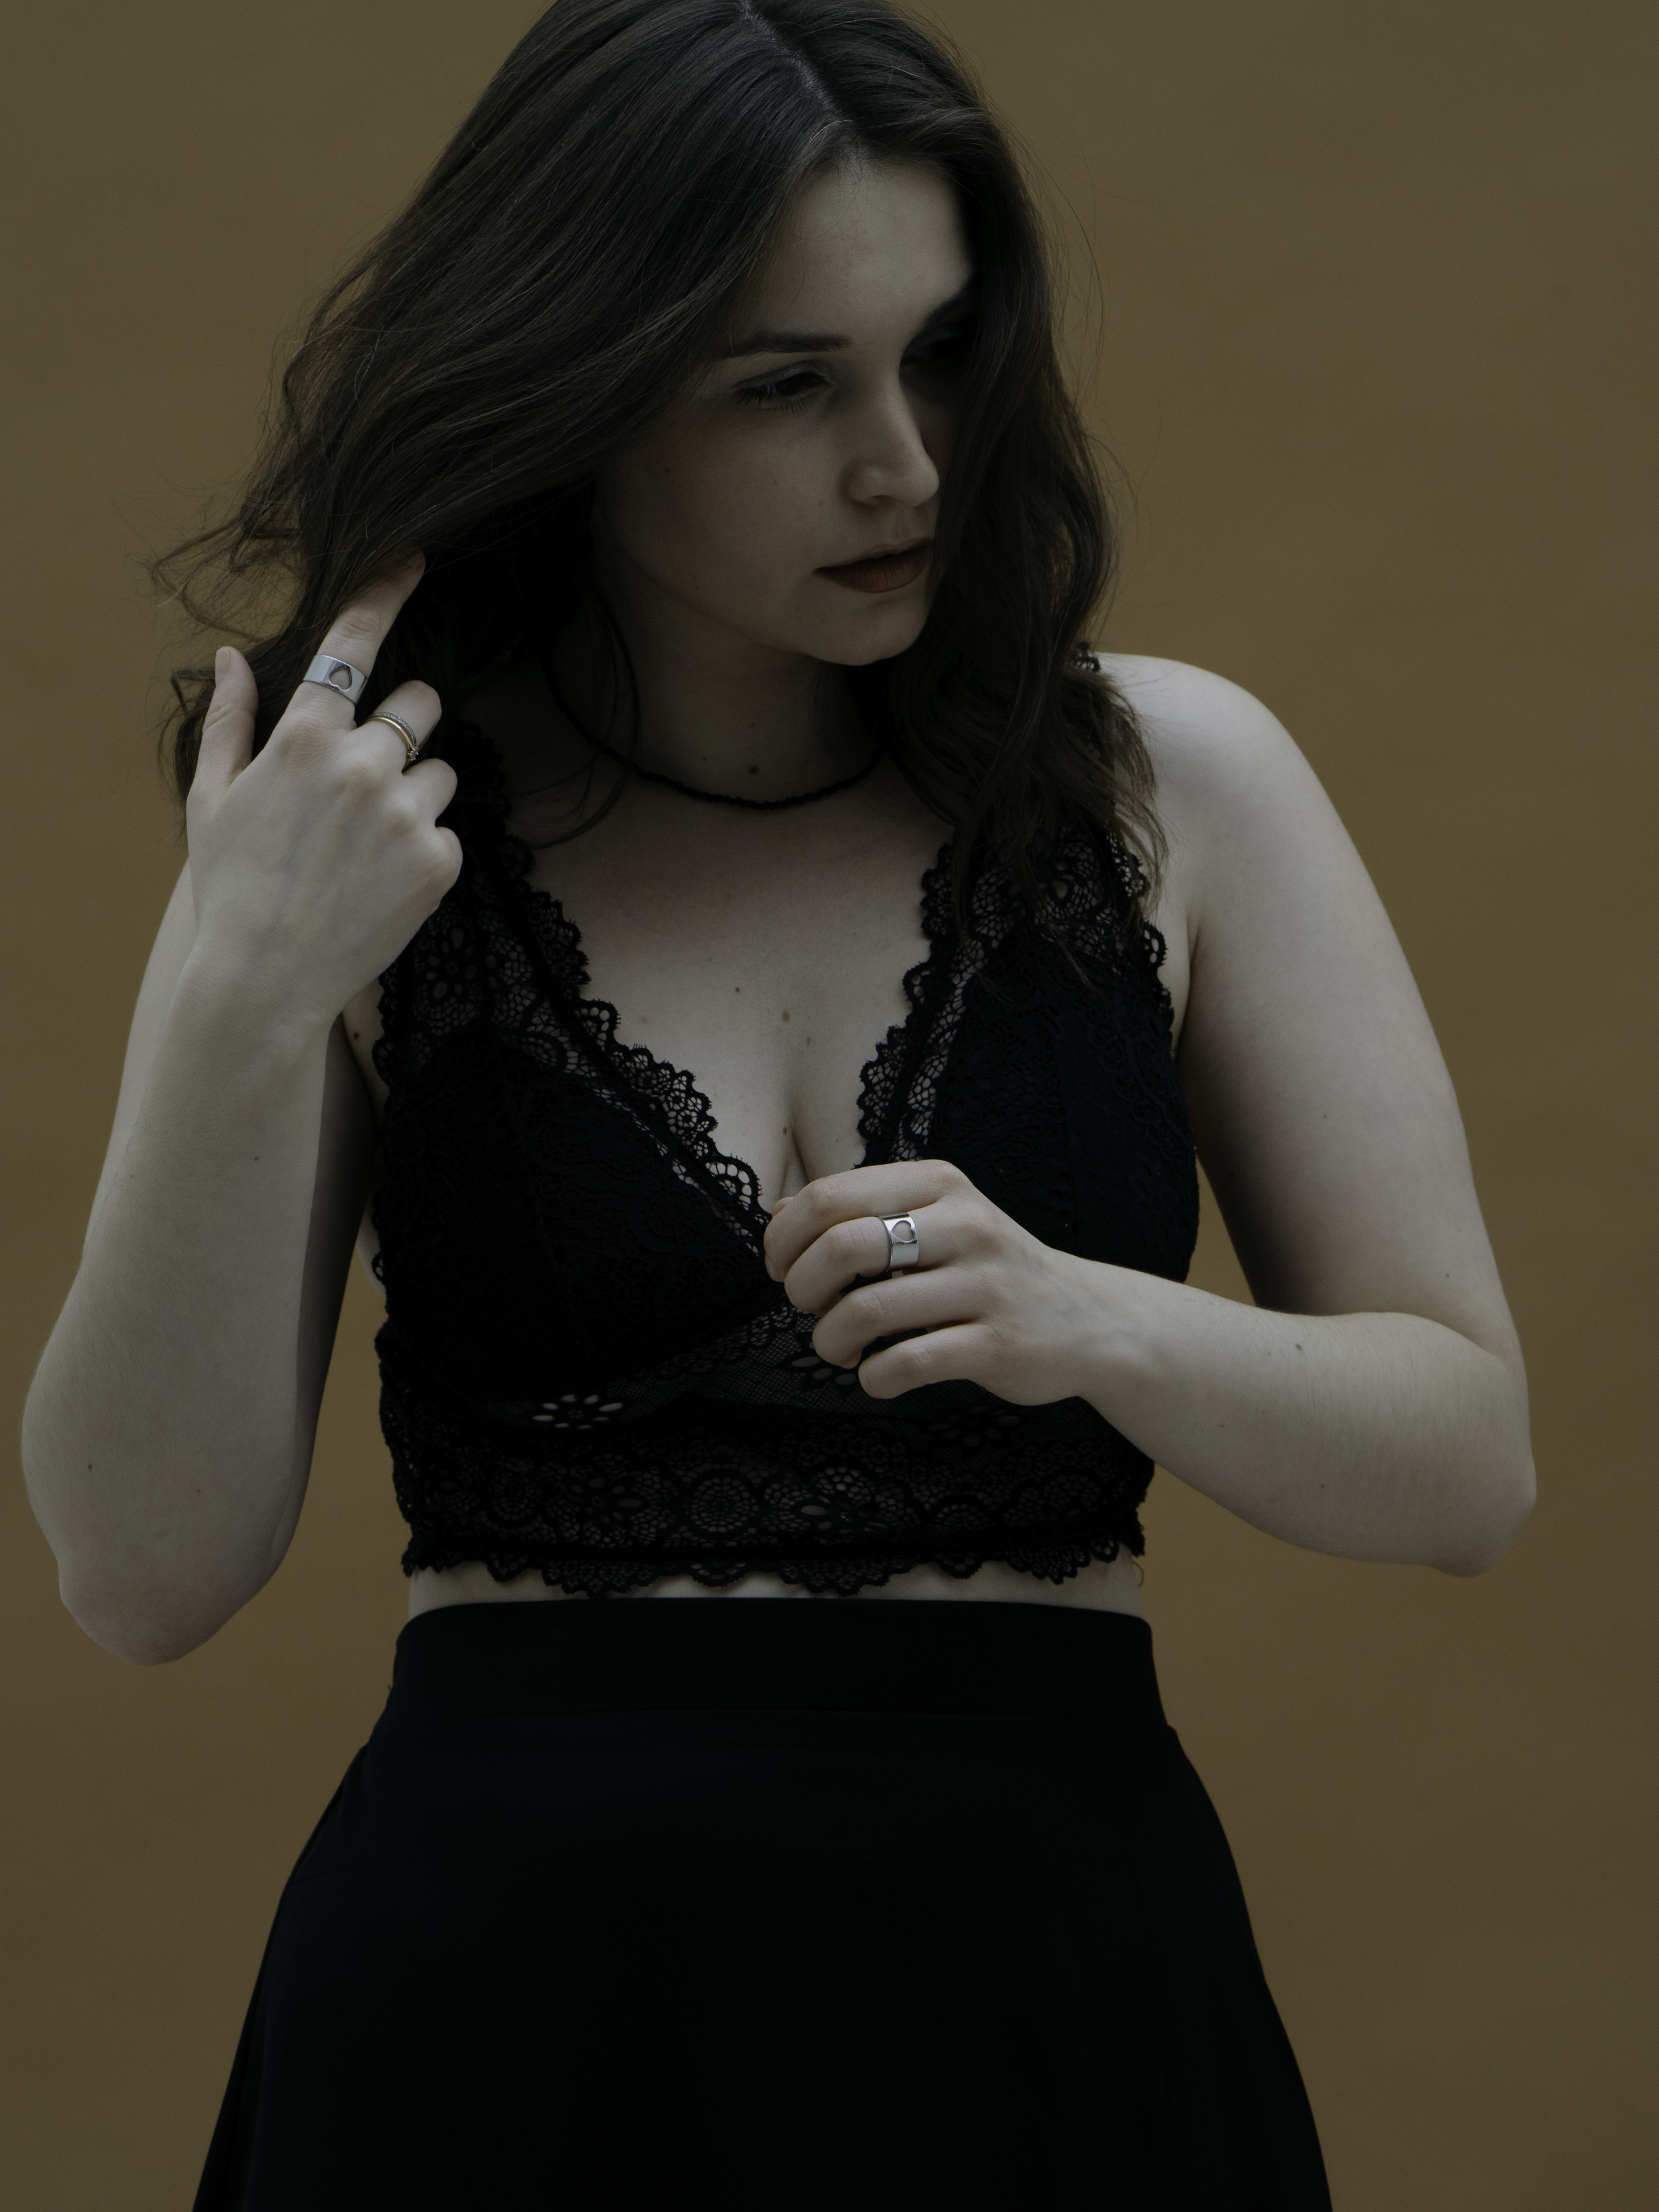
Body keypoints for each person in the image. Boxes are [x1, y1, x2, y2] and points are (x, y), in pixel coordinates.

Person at [22, 1, 1534, 2203]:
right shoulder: (343, 831)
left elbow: (1467, 1459)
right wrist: (239, 990)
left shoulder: (1171, 782)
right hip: (488, 2034)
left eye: (941, 356)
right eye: (786, 383)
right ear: (583, 384)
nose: (905, 462)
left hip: (1055, 1996)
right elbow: (141, 1571)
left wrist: (1092, 1319)